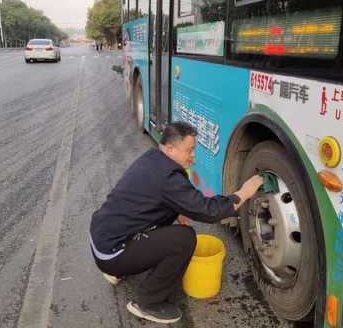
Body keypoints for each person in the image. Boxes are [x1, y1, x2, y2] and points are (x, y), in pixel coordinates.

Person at [89, 121, 263, 324]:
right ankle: (147, 302)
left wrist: (177, 211)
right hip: (111, 252)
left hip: (101, 237)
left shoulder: (153, 158)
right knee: (184, 239)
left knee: (171, 225)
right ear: (170, 148)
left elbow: (155, 199)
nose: (193, 157)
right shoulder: (169, 177)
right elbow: (208, 210)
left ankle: (116, 270)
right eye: (189, 150)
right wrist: (243, 193)